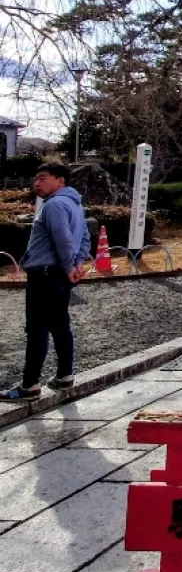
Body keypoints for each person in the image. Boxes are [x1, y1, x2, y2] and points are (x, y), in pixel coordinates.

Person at [5, 162, 90, 401]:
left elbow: (62, 238)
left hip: (44, 273)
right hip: (60, 275)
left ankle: (29, 385)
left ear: (60, 181)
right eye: (36, 179)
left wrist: (68, 264)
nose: (36, 183)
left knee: (37, 329)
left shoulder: (54, 205)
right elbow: (84, 236)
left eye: (42, 178)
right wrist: (76, 264)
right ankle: (64, 376)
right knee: (60, 324)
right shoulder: (75, 204)